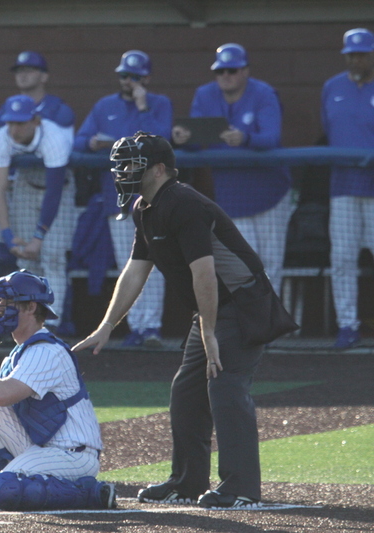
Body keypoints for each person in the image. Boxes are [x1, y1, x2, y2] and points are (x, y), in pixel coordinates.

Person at [74, 132, 271, 509]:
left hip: (243, 305)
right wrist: (107, 325)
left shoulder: (182, 202)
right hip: (213, 311)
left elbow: (205, 273)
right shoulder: (144, 207)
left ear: (159, 169)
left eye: (133, 165)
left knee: (226, 390)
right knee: (186, 394)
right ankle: (186, 481)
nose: (124, 172)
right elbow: (135, 271)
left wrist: (210, 330)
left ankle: (241, 487)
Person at [0, 269, 115, 511]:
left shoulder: (46, 351)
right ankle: (16, 477)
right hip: (41, 446)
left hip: (72, 454)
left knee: (5, 490)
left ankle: (92, 493)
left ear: (30, 307)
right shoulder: (17, 355)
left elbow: (5, 393)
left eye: (6, 302)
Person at [172, 43, 291, 300]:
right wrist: (183, 138)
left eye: (232, 70)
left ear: (245, 71)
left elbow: (272, 137)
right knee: (242, 267)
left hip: (269, 193)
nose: (226, 75)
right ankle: (251, 326)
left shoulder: (264, 93)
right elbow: (195, 141)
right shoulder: (205, 95)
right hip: (231, 197)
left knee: (270, 264)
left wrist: (246, 138)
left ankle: (272, 325)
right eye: (221, 71)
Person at [74, 50, 171, 347]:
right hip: (115, 196)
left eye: (135, 77)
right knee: (126, 263)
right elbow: (79, 142)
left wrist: (143, 107)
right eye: (124, 76)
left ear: (147, 78)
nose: (129, 81)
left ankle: (151, 327)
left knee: (152, 263)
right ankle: (135, 328)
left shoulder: (159, 103)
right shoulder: (105, 106)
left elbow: (162, 141)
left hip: (151, 196)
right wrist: (93, 142)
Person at [0, 94, 74, 330]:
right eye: (10, 122)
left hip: (59, 192)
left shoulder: (54, 136)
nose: (14, 128)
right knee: (26, 259)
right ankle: (33, 323)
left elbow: (53, 193)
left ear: (35, 120)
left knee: (53, 256)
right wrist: (7, 235)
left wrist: (39, 236)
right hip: (25, 187)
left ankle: (52, 324)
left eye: (21, 122)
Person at [321, 28, 374, 349]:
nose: (356, 59)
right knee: (342, 258)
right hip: (342, 187)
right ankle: (347, 325)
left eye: (362, 53)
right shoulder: (332, 87)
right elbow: (329, 131)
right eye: (351, 54)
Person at [0, 51, 75, 134]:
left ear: (44, 77)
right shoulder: (6, 109)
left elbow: (65, 144)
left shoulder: (58, 109)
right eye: (19, 71)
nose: (22, 75)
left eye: (29, 70)